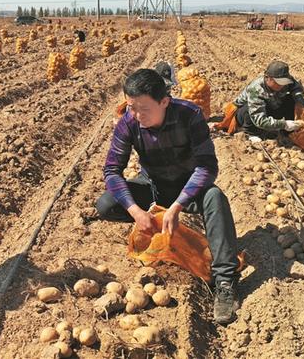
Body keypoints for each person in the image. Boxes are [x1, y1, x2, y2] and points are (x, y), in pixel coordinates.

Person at [96, 69, 240, 324]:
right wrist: (136, 211)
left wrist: (177, 207)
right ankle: (154, 225)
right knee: (106, 204)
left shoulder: (189, 115)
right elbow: (112, 171)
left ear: (165, 101)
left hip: (188, 187)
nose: (137, 115)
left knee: (215, 198)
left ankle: (225, 281)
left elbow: (207, 167)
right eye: (131, 107)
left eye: (143, 109)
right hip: (154, 186)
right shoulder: (129, 122)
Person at [232, 60, 304, 139]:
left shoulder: (286, 80)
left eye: (283, 83)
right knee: (248, 108)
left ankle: (288, 132)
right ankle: (251, 133)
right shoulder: (255, 89)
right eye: (278, 82)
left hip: (271, 105)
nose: (281, 86)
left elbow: (296, 88)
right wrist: (283, 124)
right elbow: (259, 119)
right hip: (248, 115)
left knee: (291, 100)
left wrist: (299, 97)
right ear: (267, 78)